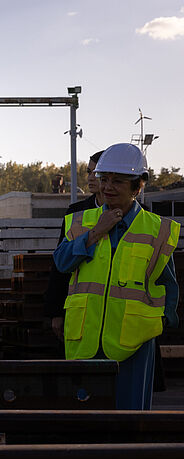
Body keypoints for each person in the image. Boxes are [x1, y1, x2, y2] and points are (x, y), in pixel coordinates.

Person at [54, 143, 179, 410]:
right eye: (104, 179)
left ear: (137, 187)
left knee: (130, 417)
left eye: (117, 181)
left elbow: (168, 283)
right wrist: (95, 232)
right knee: (85, 416)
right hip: (86, 335)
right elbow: (62, 263)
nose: (107, 187)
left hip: (133, 340)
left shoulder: (156, 229)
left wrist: (164, 320)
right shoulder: (80, 221)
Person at [45, 150, 105, 336]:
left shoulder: (142, 215)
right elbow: (60, 265)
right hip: (83, 314)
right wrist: (56, 312)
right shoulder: (76, 213)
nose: (90, 177)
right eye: (88, 172)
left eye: (97, 172)